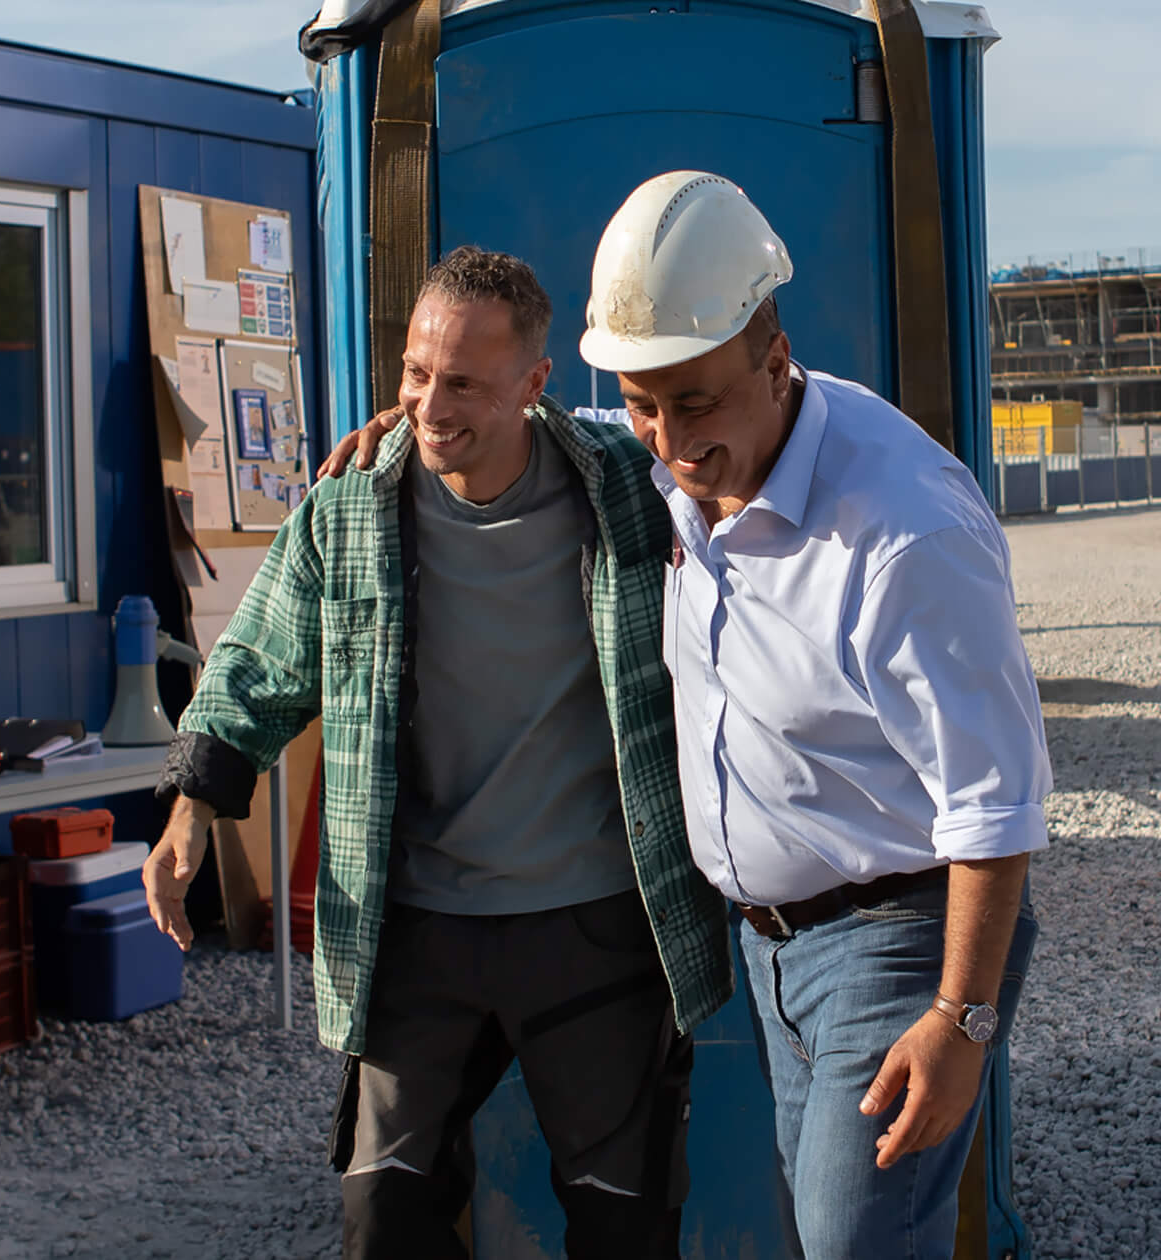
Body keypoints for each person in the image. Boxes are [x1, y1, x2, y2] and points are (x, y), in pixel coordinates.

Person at [320, 172, 1049, 1259]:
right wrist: (426, 418)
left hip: (897, 940)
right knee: (826, 1232)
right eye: (643, 403)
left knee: (856, 1243)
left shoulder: (900, 535)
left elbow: (998, 804)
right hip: (769, 950)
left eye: (693, 403)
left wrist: (960, 1020)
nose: (666, 439)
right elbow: (547, 432)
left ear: (772, 355)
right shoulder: (671, 463)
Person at [143, 245, 733, 1260]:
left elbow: (754, 435)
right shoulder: (350, 512)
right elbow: (255, 664)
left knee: (623, 1222)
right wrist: (188, 814)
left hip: (592, 923)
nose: (427, 404)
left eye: (462, 381)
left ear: (534, 383)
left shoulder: (631, 498)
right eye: (415, 375)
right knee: (382, 1220)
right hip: (415, 927)